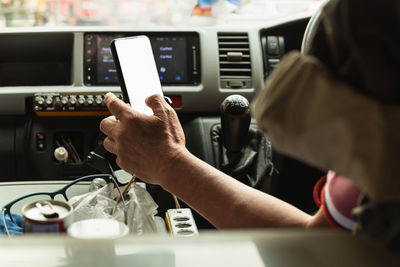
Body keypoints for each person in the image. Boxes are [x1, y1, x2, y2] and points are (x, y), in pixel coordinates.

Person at [100, 0, 399, 236]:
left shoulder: (378, 155)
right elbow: (317, 238)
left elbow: (312, 253)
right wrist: (171, 162)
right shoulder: (373, 168)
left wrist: (169, 163)